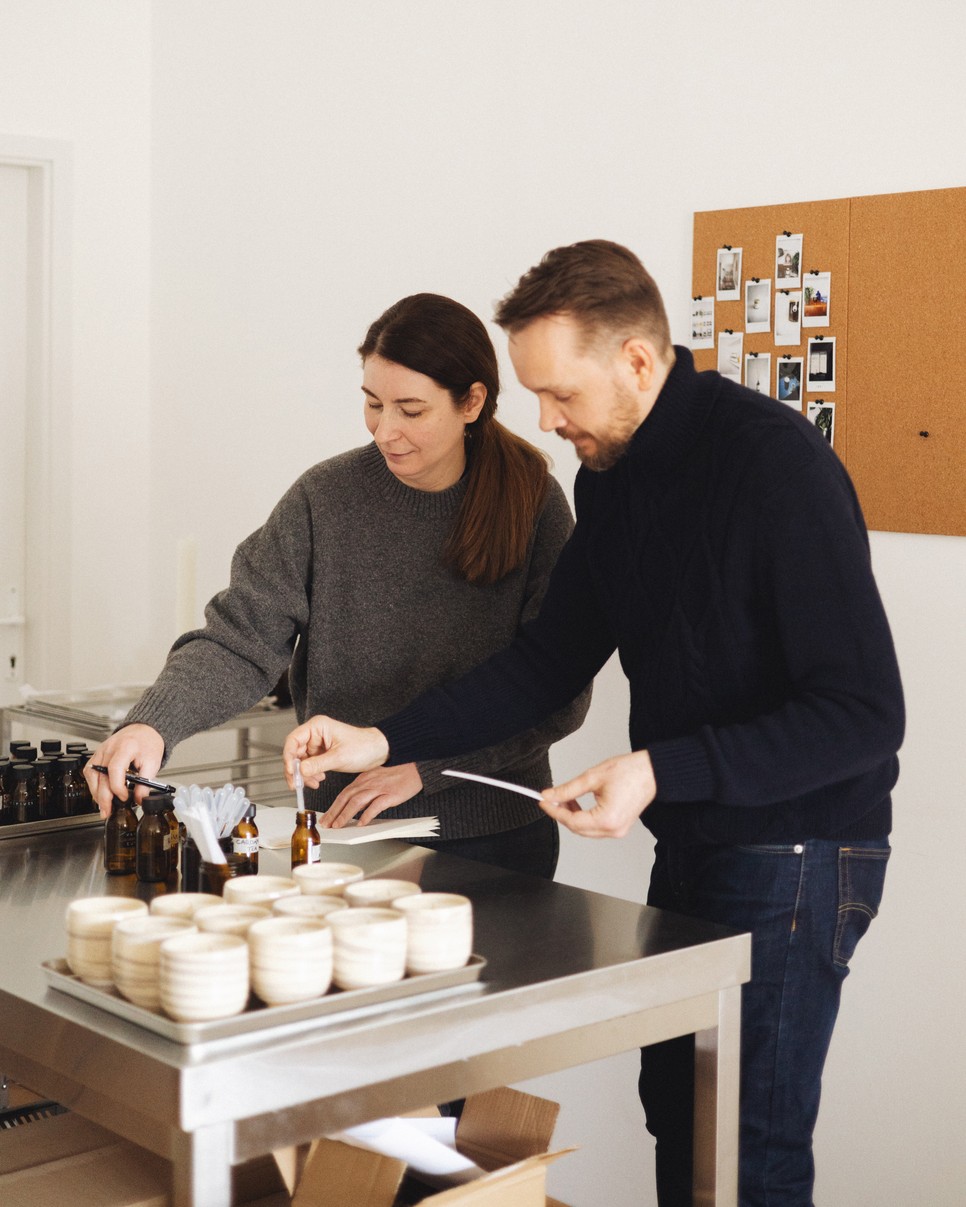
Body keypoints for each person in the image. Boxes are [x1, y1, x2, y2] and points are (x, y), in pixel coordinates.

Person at [282, 242, 905, 1207]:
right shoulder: (610, 477)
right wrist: (386, 739)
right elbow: (545, 660)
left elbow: (864, 715)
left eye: (559, 393)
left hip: (800, 850)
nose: (545, 419)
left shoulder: (774, 465)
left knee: (745, 1150)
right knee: (681, 1114)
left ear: (638, 362)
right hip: (695, 838)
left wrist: (658, 768)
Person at [85, 292, 590, 880]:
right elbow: (239, 640)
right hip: (346, 837)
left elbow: (557, 691)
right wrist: (153, 724)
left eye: (411, 410)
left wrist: (425, 770)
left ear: (472, 402)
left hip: (497, 839)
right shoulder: (324, 499)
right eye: (373, 404)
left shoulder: (534, 504)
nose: (386, 431)